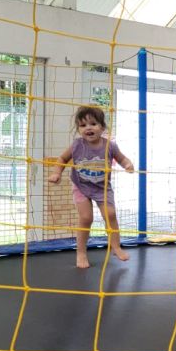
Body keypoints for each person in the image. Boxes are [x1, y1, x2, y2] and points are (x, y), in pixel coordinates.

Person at [48, 105, 134, 269]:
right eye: (83, 125)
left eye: (93, 124)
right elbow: (62, 159)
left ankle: (116, 247)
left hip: (102, 187)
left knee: (110, 214)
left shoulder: (110, 146)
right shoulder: (77, 145)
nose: (88, 128)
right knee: (86, 218)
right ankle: (81, 253)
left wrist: (128, 165)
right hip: (81, 186)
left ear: (102, 127)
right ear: (79, 129)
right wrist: (56, 173)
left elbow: (122, 159)